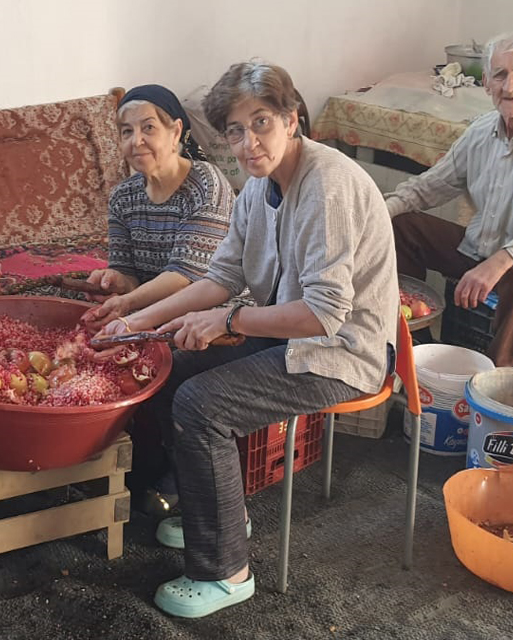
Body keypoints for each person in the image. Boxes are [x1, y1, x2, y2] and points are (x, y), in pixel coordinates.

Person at [99, 62, 397, 617]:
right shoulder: (259, 185)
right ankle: (219, 514)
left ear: (291, 119)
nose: (248, 142)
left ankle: (226, 571)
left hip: (341, 353)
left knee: (201, 406)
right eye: (235, 130)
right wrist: (140, 321)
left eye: (261, 122)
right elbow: (221, 276)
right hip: (285, 333)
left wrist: (230, 321)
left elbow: (324, 314)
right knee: (166, 367)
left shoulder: (327, 184)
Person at [385, 32, 513, 367]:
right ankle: (418, 352)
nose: (510, 86)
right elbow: (427, 187)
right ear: (486, 84)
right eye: (500, 75)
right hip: (483, 248)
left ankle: (492, 376)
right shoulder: (480, 132)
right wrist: (375, 212)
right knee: (400, 226)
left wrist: (500, 262)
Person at [80, 84, 235, 516]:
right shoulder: (124, 197)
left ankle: (182, 474)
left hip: (214, 314)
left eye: (149, 128)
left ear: (176, 131)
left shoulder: (206, 184)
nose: (137, 141)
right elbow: (128, 273)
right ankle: (124, 462)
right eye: (126, 131)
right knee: (91, 343)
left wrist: (130, 309)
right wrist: (114, 282)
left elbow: (187, 277)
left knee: (169, 363)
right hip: (155, 315)